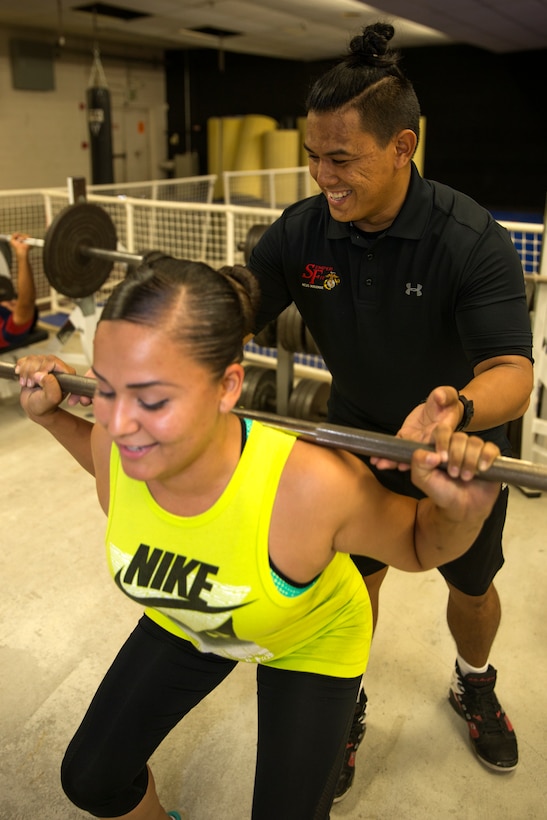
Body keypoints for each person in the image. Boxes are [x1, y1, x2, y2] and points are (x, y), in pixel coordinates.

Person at [15, 253, 500, 820]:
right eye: (105, 389)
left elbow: (418, 544)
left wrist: (460, 513)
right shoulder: (114, 446)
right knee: (90, 779)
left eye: (153, 399)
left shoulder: (311, 486)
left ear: (228, 386)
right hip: (192, 611)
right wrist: (52, 417)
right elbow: (107, 473)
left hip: (309, 639)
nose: (120, 424)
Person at [247, 21, 533, 797]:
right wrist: (186, 311)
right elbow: (242, 302)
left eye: (339, 158)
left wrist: (457, 409)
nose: (320, 175)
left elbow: (512, 371)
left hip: (457, 453)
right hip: (353, 436)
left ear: (403, 146)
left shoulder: (468, 238)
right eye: (311, 155)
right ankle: (345, 699)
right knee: (353, 584)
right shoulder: (303, 231)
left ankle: (472, 681)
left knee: (469, 588)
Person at [0, 233, 38, 349]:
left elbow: (26, 303)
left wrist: (21, 254)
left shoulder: (8, 333)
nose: (13, 301)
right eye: (14, 302)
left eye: (15, 304)